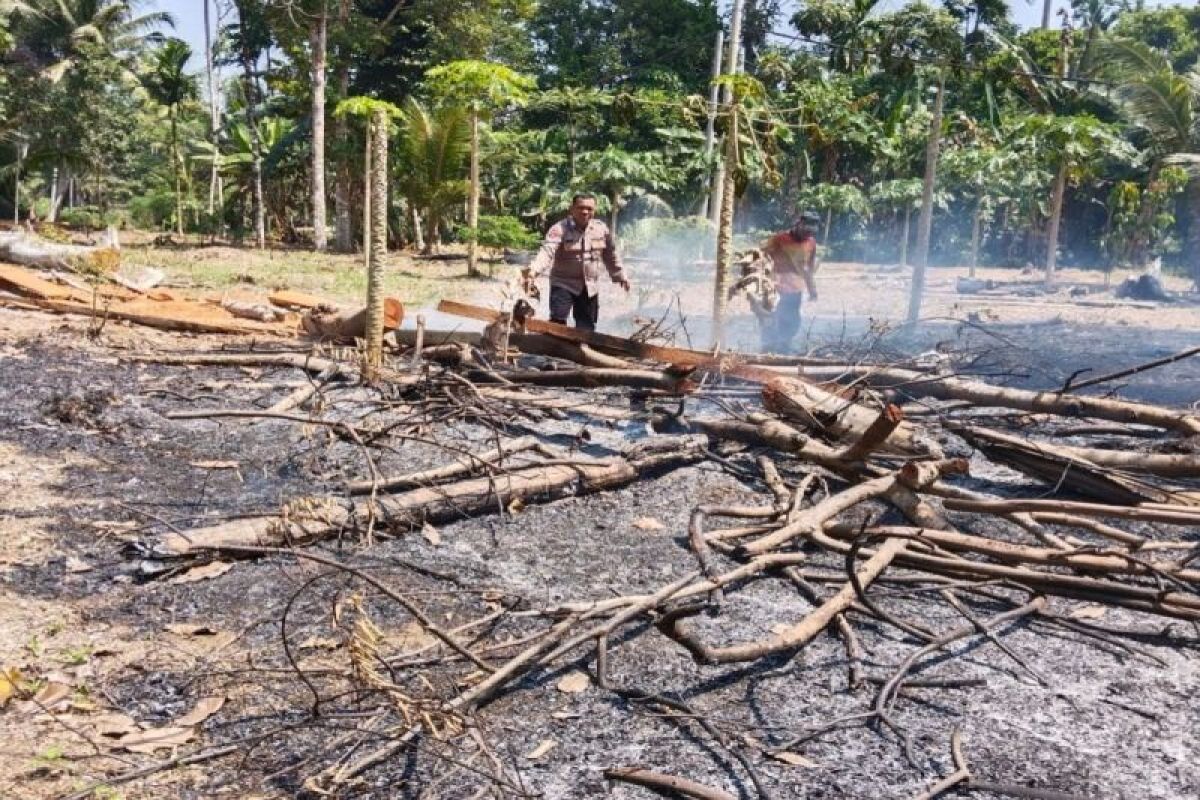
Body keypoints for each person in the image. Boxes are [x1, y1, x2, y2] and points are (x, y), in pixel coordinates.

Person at [522, 193, 630, 331]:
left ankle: (581, 350)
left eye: (589, 208)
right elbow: (547, 251)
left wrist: (620, 275)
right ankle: (555, 350)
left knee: (586, 326)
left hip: (590, 287)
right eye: (580, 208)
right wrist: (533, 271)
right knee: (557, 321)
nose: (585, 212)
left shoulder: (601, 229)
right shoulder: (559, 229)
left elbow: (611, 255)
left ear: (594, 210)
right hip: (563, 283)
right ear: (572, 209)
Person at [760, 211, 820, 352]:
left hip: (795, 289)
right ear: (798, 224)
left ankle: (784, 346)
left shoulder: (811, 243)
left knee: (792, 320)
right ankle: (767, 347)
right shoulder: (780, 239)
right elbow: (762, 257)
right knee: (772, 317)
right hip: (776, 287)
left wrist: (812, 289)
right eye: (806, 230)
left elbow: (809, 268)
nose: (808, 234)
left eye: (811, 231)